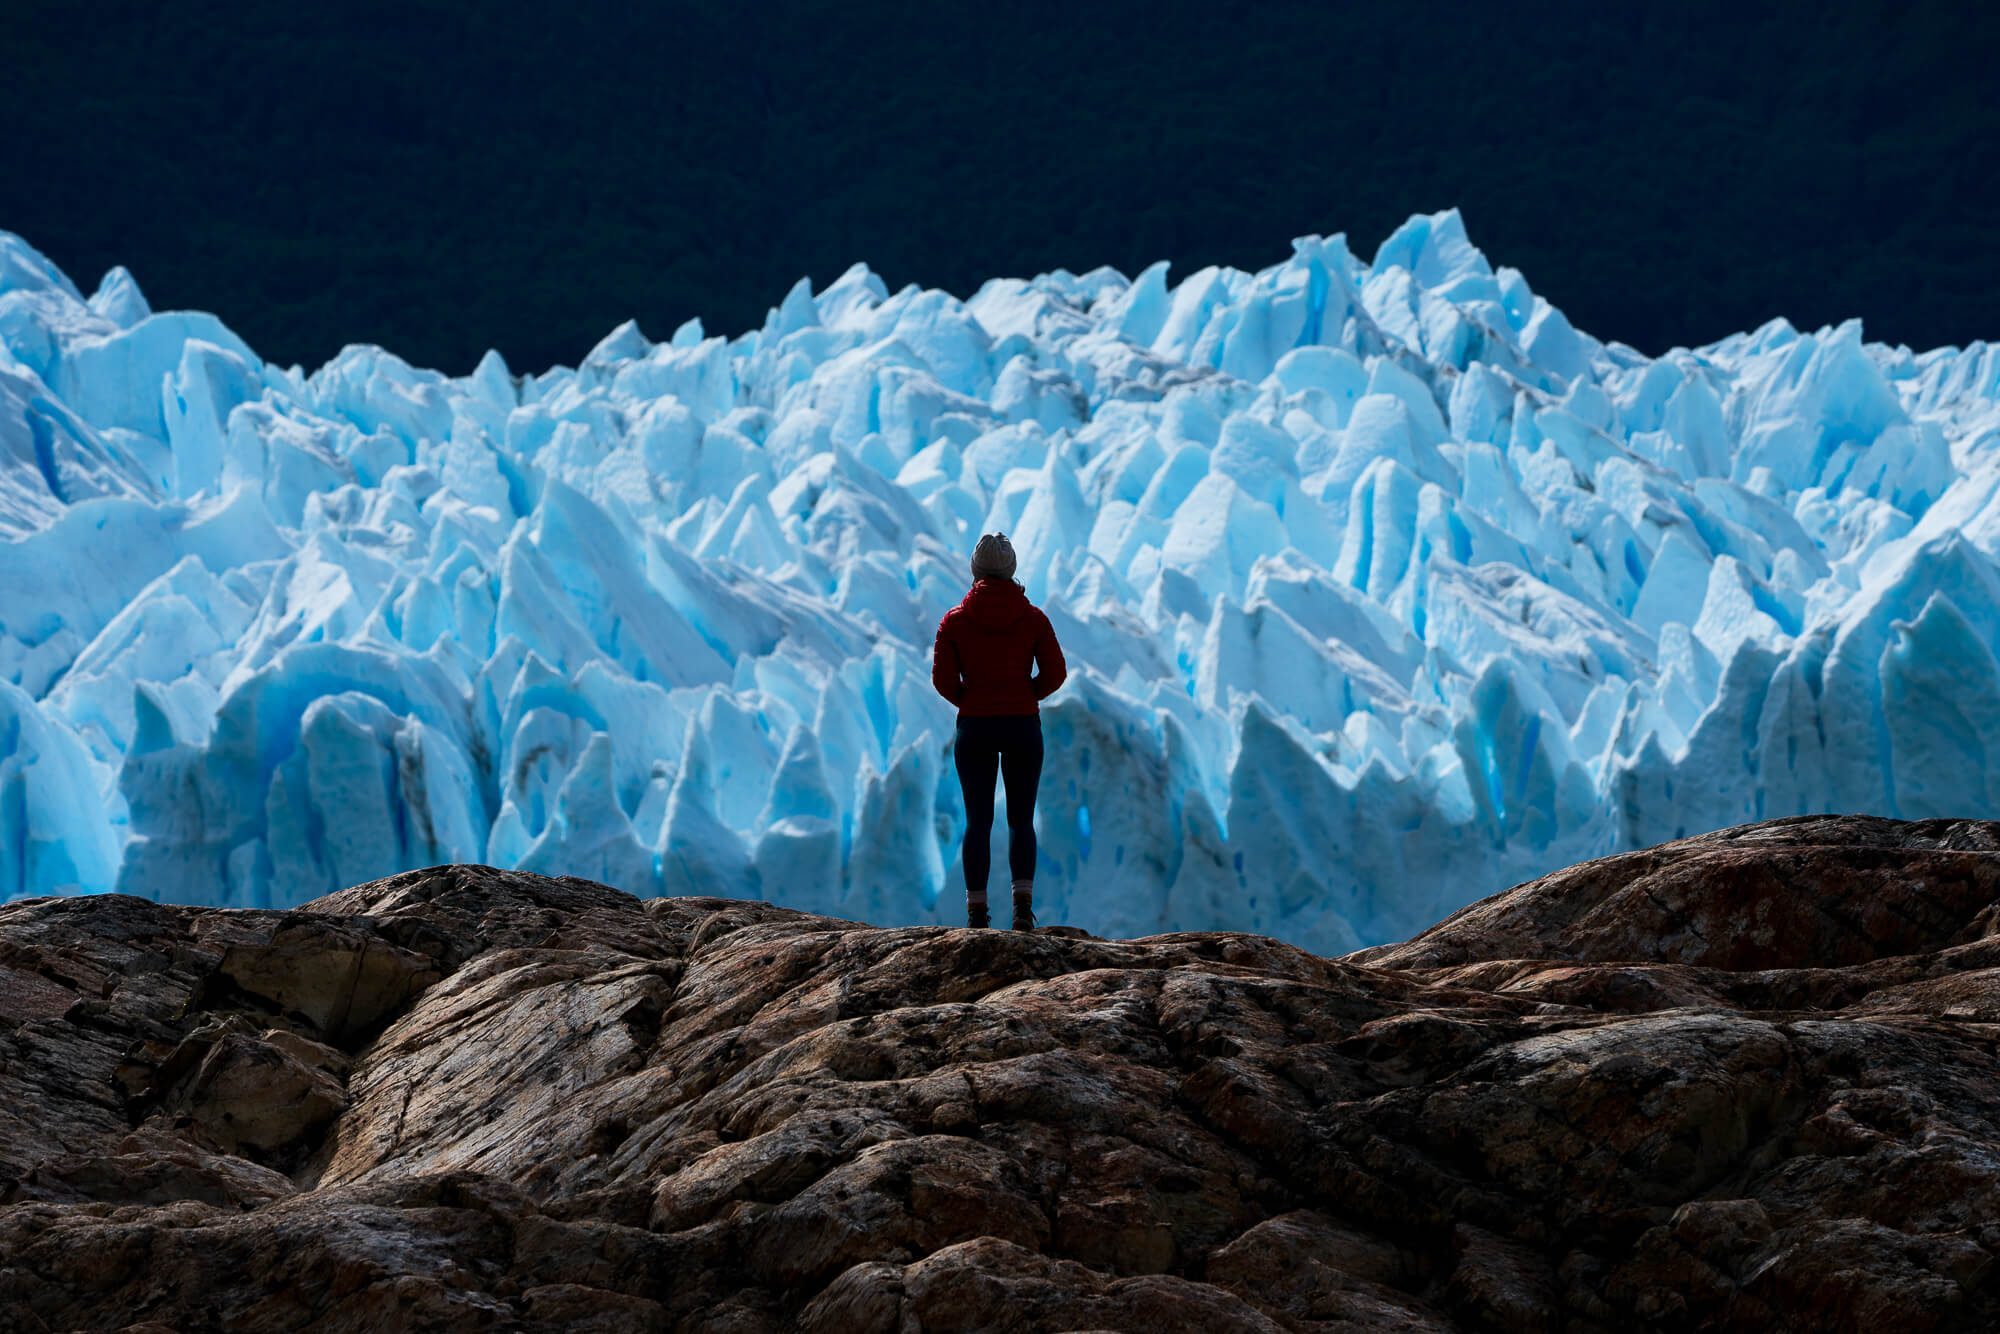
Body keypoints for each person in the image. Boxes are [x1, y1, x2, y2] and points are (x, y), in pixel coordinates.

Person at [931, 533, 1067, 930]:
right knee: (1021, 821)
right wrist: (1026, 695)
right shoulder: (1034, 619)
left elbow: (942, 680)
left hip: (975, 728)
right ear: (1012, 571)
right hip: (1023, 725)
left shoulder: (954, 621)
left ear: (974, 571)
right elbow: (1056, 673)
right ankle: (1023, 911)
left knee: (978, 821)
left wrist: (972, 703)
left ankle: (977, 913)